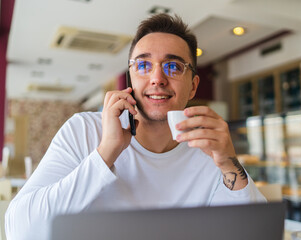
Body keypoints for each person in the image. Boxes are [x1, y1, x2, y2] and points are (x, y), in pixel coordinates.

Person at [5, 14, 265, 240]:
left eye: (173, 66)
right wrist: (106, 152)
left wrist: (229, 163)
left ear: (194, 85)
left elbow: (256, 233)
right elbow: (20, 231)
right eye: (143, 65)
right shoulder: (83, 130)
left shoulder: (208, 148)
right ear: (130, 78)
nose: (157, 78)